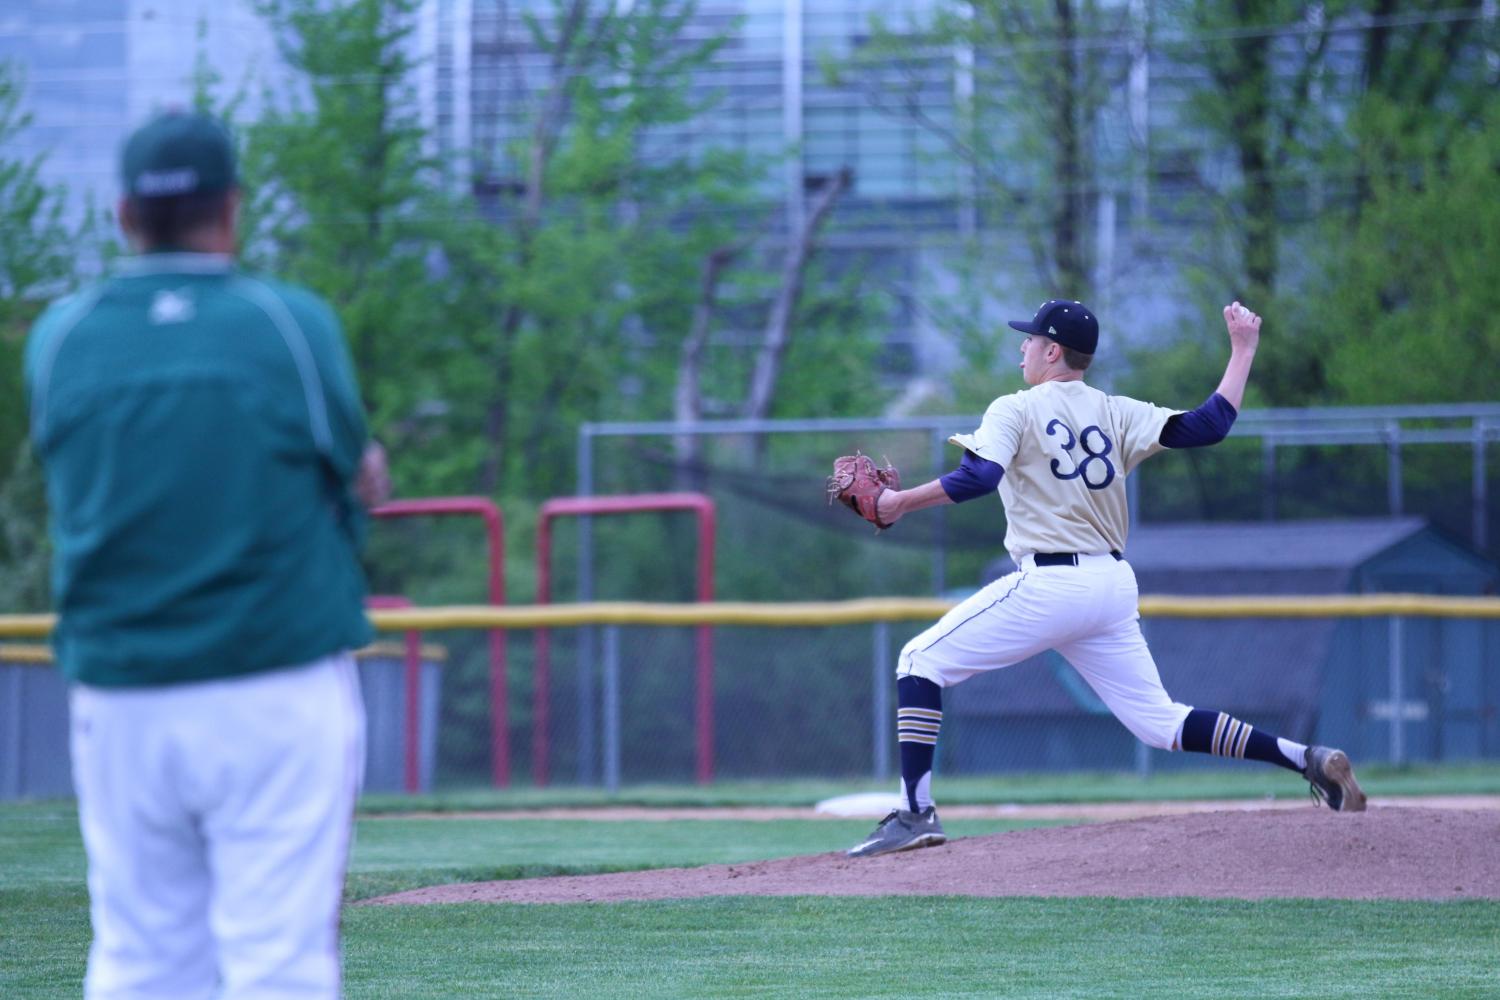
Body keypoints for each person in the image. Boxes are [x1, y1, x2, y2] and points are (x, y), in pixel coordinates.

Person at [24, 111, 389, 997]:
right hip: (274, 680)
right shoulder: (286, 322)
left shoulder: (60, 337)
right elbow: (358, 468)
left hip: (121, 693)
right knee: (277, 960)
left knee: (142, 957)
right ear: (232, 208)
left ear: (121, 216)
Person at [846, 298, 1366, 859]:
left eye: (1029, 339)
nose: (1021, 347)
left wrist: (896, 502)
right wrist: (1243, 350)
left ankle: (915, 812)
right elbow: (1211, 425)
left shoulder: (1014, 408)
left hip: (1050, 581)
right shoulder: (1115, 410)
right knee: (1158, 722)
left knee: (918, 662)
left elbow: (980, 476)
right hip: (1111, 585)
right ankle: (1305, 758)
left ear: (1052, 351)